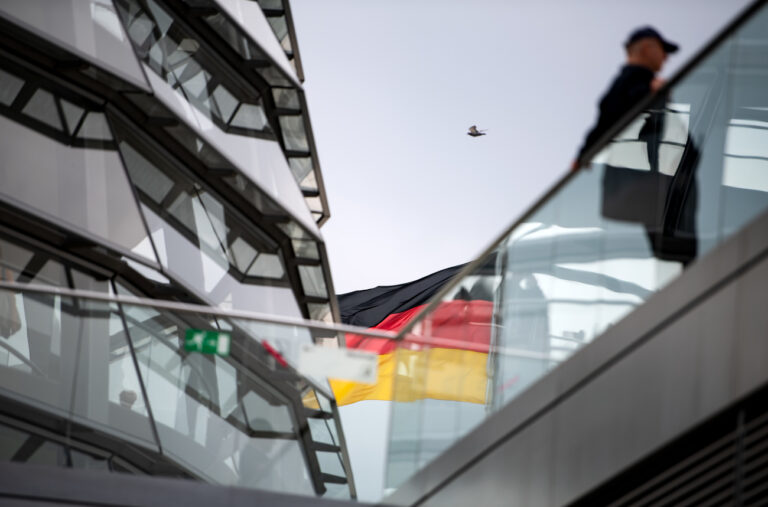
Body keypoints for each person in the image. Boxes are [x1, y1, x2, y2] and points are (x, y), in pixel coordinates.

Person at [572, 26, 679, 170]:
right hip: (638, 178)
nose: (666, 57)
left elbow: (602, 124)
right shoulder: (636, 81)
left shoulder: (626, 83)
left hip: (637, 175)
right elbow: (611, 118)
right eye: (662, 49)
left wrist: (582, 156)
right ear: (647, 47)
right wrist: (651, 93)